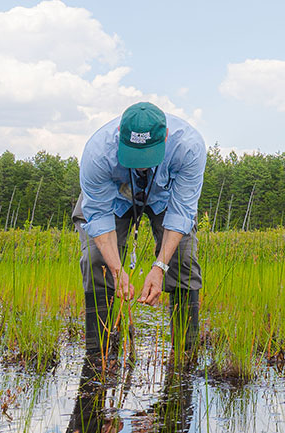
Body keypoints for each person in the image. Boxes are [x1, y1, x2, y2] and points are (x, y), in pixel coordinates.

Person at [75, 101, 207, 359]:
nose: (140, 166)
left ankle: (185, 352)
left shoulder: (188, 147)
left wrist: (160, 268)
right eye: (134, 157)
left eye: (147, 157)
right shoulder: (98, 153)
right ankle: (98, 354)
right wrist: (116, 269)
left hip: (165, 198)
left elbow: (181, 214)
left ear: (166, 136)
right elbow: (99, 217)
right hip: (114, 199)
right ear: (119, 137)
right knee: (97, 259)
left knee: (183, 257)